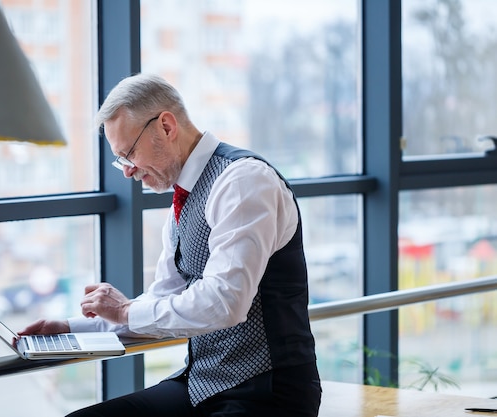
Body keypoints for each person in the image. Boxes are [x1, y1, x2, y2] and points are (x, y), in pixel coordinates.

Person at [19, 73, 322, 417]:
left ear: (165, 125)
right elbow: (161, 303)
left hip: (270, 391)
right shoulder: (183, 202)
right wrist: (72, 327)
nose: (128, 172)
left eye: (129, 153)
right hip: (201, 384)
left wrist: (124, 310)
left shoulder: (243, 181)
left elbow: (225, 303)